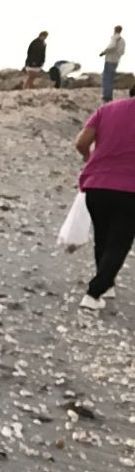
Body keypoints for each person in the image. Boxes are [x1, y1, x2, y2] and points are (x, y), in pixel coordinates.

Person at [74, 84, 135, 310]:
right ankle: (93, 293)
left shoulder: (106, 110)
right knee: (119, 243)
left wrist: (89, 159)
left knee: (103, 237)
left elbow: (81, 142)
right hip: (130, 189)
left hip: (97, 185)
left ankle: (106, 284)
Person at [99, 25, 126, 102]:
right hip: (116, 60)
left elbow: (112, 46)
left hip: (110, 60)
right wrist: (117, 55)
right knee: (110, 78)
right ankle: (109, 95)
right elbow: (122, 52)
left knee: (106, 78)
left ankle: (106, 96)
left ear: (115, 30)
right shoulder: (123, 41)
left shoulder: (115, 37)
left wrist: (104, 52)